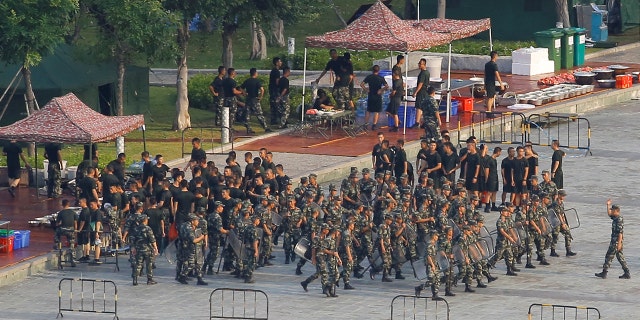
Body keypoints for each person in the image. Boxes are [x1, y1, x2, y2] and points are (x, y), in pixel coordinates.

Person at [595, 200, 630, 279]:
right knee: (620, 257)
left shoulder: (619, 220)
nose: (611, 211)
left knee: (609, 256)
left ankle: (604, 272)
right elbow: (609, 214)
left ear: (616, 211)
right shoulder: (615, 217)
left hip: (616, 241)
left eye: (612, 210)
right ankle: (627, 273)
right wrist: (607, 205)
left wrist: (619, 243)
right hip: (615, 241)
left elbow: (620, 233)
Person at [177, 213, 208, 285]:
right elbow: (193, 240)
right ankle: (182, 276)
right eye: (196, 220)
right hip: (189, 248)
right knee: (192, 264)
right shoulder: (188, 228)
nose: (198, 222)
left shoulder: (184, 225)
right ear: (192, 221)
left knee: (198, 263)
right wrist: (202, 237)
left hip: (191, 248)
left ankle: (199, 279)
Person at [241, 68, 272, 133]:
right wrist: (260, 97)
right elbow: (262, 89)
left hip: (248, 98)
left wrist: (244, 93)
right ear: (255, 73)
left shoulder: (247, 81)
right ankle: (265, 127)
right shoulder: (257, 81)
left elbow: (241, 88)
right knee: (259, 114)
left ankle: (248, 128)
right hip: (255, 99)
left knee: (247, 114)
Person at [131, 214, 159, 285]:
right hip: (147, 249)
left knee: (138, 264)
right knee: (149, 264)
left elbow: (132, 240)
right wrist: (155, 248)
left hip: (138, 249)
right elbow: (152, 239)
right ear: (145, 220)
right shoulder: (148, 228)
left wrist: (133, 248)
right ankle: (149, 279)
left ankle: (135, 279)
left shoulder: (136, 229)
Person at [360, 65, 388, 130]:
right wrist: (381, 90)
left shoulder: (369, 77)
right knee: (377, 111)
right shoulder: (381, 78)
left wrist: (366, 89)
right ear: (378, 71)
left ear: (372, 70)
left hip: (371, 95)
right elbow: (386, 86)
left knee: (368, 110)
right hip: (378, 96)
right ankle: (374, 125)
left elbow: (361, 84)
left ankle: (366, 124)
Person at [411, 58, 430, 128]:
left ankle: (417, 122)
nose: (419, 65)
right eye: (419, 63)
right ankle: (425, 122)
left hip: (421, 91)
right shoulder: (427, 72)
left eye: (420, 64)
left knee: (419, 107)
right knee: (424, 107)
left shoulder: (423, 73)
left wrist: (415, 92)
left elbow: (420, 84)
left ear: (424, 65)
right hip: (425, 91)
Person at [484, 50, 504, 115]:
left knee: (492, 96)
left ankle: (489, 110)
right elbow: (497, 75)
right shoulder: (494, 65)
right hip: (491, 83)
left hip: (487, 82)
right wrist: (501, 84)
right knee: (490, 97)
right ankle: (489, 112)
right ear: (495, 56)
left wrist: (484, 84)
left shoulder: (487, 64)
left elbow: (485, 74)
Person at [268, 58, 282, 125]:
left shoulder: (273, 71)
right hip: (275, 91)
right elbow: (277, 82)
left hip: (271, 90)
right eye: (279, 61)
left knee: (273, 106)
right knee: (277, 105)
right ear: (276, 63)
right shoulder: (276, 72)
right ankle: (282, 119)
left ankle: (273, 120)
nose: (281, 62)